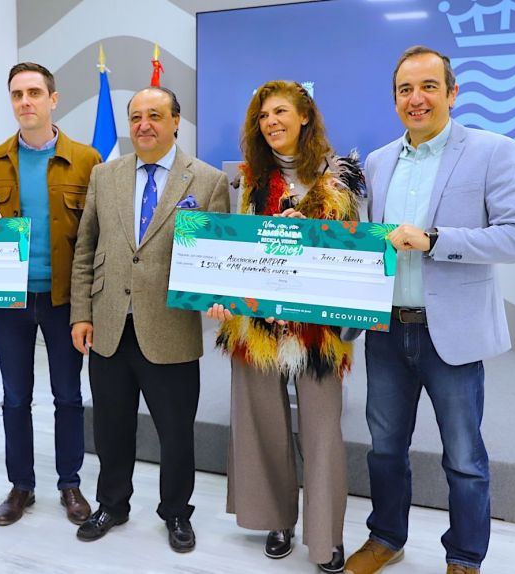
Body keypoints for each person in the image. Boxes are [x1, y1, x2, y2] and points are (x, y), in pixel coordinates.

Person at [343, 46, 515, 574]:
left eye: (428, 86)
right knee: (385, 449)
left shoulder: (494, 151)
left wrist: (435, 239)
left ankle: (465, 557)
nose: (416, 98)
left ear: (452, 93)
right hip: (386, 331)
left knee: (465, 458)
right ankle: (386, 538)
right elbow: (368, 243)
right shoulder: (379, 161)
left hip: (451, 333)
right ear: (394, 99)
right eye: (405, 89)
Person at [206, 80, 360, 573]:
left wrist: (313, 237)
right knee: (263, 427)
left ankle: (326, 539)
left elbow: (357, 252)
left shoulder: (343, 178)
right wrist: (225, 297)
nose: (270, 122)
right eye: (263, 116)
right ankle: (277, 521)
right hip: (258, 327)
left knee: (322, 433)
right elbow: (234, 251)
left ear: (305, 116)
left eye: (279, 112)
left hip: (319, 332)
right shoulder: (247, 181)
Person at [70, 86, 230, 552]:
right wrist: (81, 313)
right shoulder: (105, 175)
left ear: (176, 121)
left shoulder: (208, 181)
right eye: (136, 116)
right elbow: (86, 248)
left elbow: (217, 255)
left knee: (176, 433)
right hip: (109, 327)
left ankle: (176, 512)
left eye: (155, 115)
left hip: (170, 329)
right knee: (111, 428)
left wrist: (217, 295)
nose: (144, 125)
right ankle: (112, 505)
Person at [0, 62, 101, 527]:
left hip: (65, 300)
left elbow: (97, 235)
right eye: (16, 94)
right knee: (14, 397)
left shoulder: (87, 159)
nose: (24, 102)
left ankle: (70, 483)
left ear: (53, 99)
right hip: (10, 301)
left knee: (67, 396)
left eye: (33, 93)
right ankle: (21, 486)